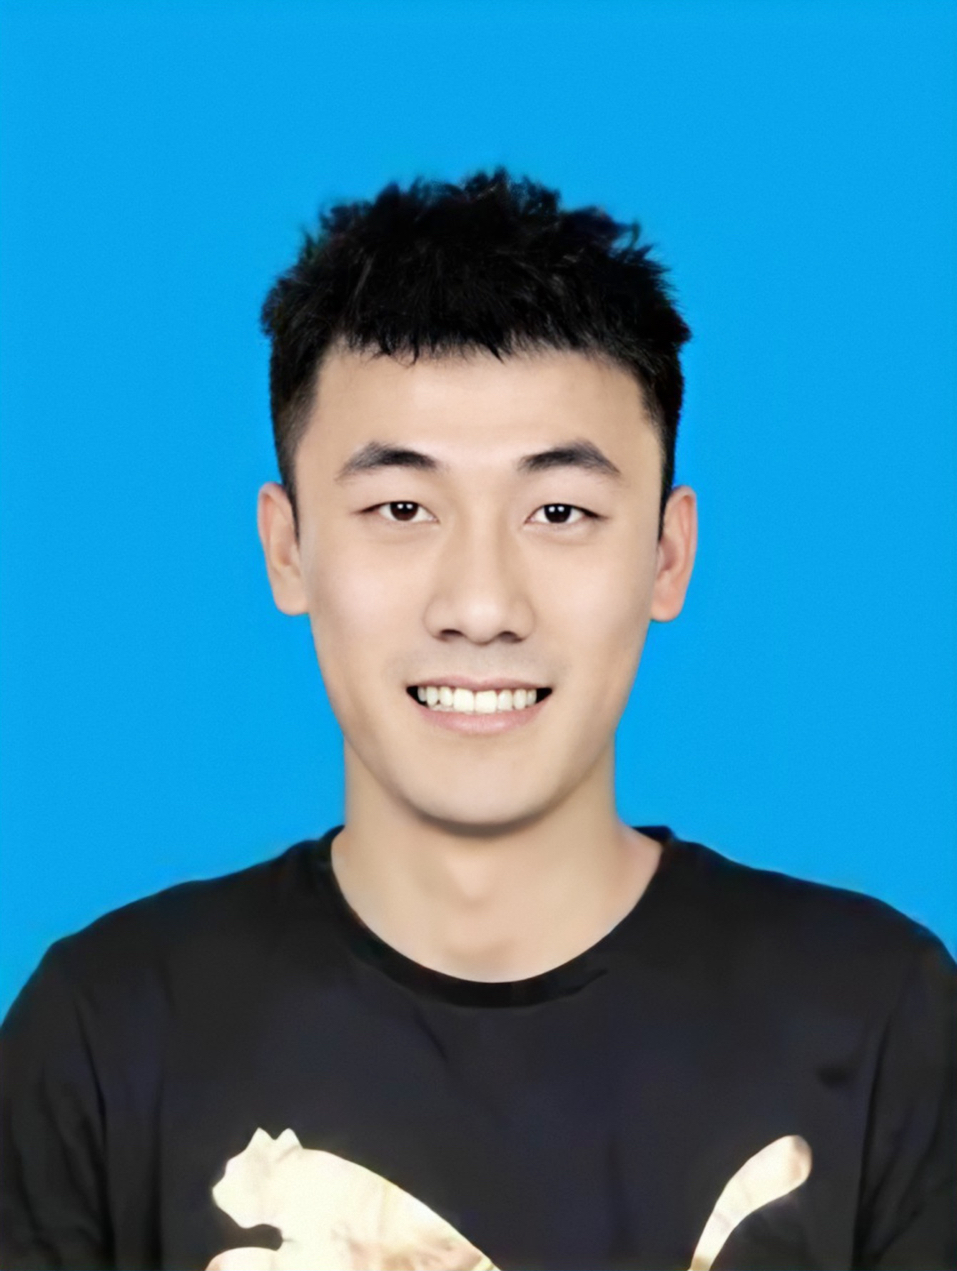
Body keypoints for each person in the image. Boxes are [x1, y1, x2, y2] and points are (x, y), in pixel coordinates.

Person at [1, 168, 954, 1271]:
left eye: (560, 510)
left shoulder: (879, 1020)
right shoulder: (107, 1038)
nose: (482, 604)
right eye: (402, 507)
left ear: (666, 552)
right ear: (287, 546)